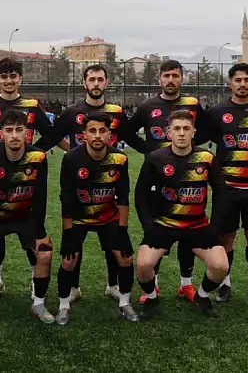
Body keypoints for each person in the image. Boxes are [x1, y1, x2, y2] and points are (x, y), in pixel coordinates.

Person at [41, 64, 147, 303]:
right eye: (92, 79)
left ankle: (112, 285)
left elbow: (132, 139)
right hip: (79, 187)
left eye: (100, 79)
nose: (96, 84)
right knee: (74, 246)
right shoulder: (71, 112)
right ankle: (74, 288)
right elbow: (52, 138)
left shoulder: (117, 113)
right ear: (85, 83)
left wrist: (156, 155)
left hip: (109, 183)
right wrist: (74, 153)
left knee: (112, 242)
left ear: (106, 83)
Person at [0, 57, 55, 302]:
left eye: (13, 76)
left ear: (20, 78)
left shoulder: (31, 104)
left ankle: (33, 280)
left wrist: (32, 152)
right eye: (4, 76)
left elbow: (50, 134)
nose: (9, 80)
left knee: (30, 236)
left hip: (25, 181)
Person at [134, 110, 228, 319]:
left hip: (197, 225)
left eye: (186, 128)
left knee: (220, 266)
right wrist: (149, 226)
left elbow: (221, 192)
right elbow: (140, 195)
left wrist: (214, 226)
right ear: (169, 133)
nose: (182, 133)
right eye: (177, 129)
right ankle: (151, 297)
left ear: (194, 132)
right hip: (164, 224)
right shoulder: (156, 158)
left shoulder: (206, 157)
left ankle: (202, 296)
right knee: (142, 265)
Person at [0, 109, 53, 329]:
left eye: (19, 130)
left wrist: (39, 231)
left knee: (45, 253)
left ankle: (39, 304)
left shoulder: (38, 157)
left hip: (25, 217)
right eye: (9, 130)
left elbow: (41, 196)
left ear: (27, 133)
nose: (14, 135)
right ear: (0, 134)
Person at [128, 59, 205, 304]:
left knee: (188, 231)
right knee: (156, 229)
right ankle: (154, 285)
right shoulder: (148, 106)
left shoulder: (192, 105)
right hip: (157, 180)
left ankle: (186, 284)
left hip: (188, 178)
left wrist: (195, 151)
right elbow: (128, 133)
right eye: (166, 76)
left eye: (175, 75)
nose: (171, 80)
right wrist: (147, 151)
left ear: (182, 78)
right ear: (160, 79)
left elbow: (205, 129)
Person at [197, 63, 248, 303]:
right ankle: (225, 285)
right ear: (230, 83)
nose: (242, 84)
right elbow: (196, 138)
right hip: (227, 188)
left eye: (246, 79)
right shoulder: (217, 112)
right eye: (237, 80)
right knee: (225, 238)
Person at [56, 112, 138, 325]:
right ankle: (63, 305)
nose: (97, 135)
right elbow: (66, 198)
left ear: (110, 134)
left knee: (125, 258)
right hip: (79, 218)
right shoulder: (71, 158)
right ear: (84, 135)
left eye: (102, 130)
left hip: (108, 216)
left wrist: (122, 230)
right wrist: (68, 232)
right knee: (68, 261)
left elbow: (123, 196)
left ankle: (125, 302)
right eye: (92, 131)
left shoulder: (119, 159)